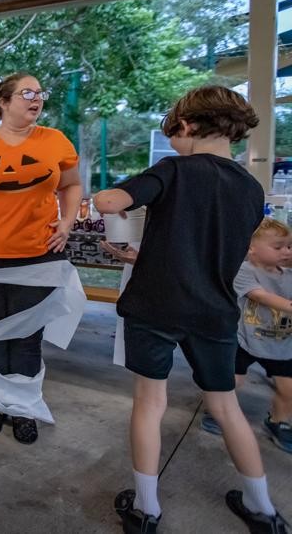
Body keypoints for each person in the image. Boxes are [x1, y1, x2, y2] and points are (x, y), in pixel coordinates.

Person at [94, 85, 288, 533]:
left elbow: (109, 202)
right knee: (226, 407)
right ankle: (263, 509)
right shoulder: (250, 187)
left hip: (156, 307)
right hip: (214, 312)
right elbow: (205, 248)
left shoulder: (173, 170)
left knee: (150, 402)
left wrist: (111, 200)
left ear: (185, 126)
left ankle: (146, 509)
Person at [0, 73, 83, 444]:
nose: (36, 98)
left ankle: (23, 407)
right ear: (3, 101)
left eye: (40, 93)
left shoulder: (55, 141)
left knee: (26, 337)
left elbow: (72, 185)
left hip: (39, 256)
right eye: (27, 93)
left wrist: (67, 222)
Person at [196, 218, 292, 452]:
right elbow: (260, 296)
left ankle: (278, 421)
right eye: (278, 247)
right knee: (229, 380)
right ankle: (215, 411)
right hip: (244, 338)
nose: (286, 252)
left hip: (280, 342)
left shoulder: (288, 274)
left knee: (288, 388)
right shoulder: (243, 271)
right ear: (251, 249)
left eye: (289, 246)